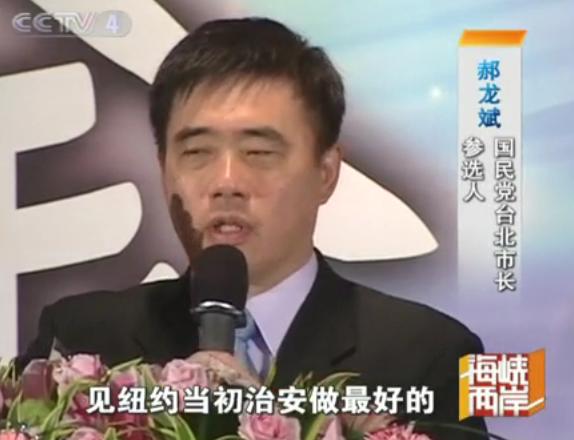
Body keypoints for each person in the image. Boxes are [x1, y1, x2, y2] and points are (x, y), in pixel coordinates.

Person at [17, 17, 486, 438]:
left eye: (259, 153)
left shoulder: (427, 356)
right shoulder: (82, 342)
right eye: (197, 152)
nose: (226, 182)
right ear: (163, 169)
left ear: (326, 173)